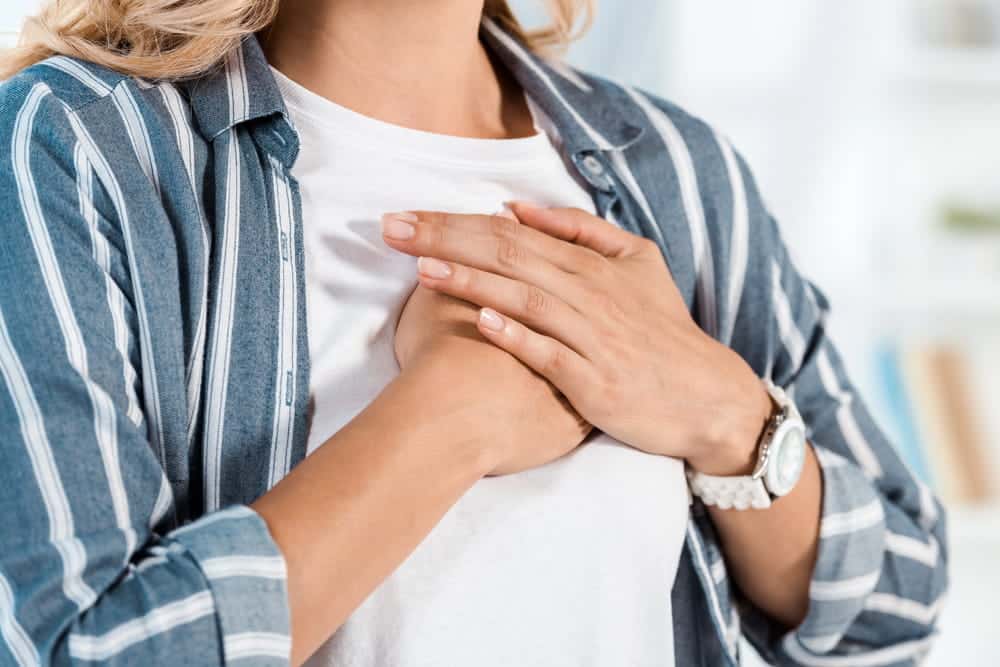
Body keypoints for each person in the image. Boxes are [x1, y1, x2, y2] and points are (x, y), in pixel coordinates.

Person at [0, 1, 946, 665]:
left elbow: (896, 610)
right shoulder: (78, 149)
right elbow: (89, 647)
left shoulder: (682, 177)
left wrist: (725, 416)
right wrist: (453, 417)